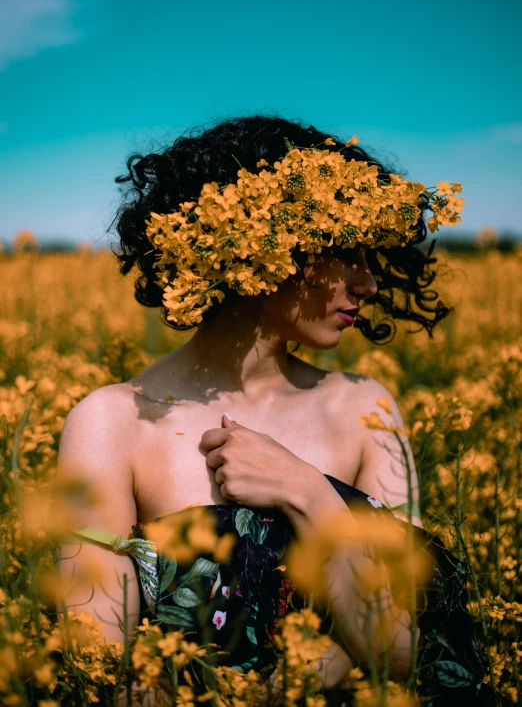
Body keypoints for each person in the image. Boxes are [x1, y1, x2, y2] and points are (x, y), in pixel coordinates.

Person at [54, 115, 487, 706]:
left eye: (372, 258)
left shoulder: (365, 409)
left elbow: (413, 651)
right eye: (345, 253)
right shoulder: (111, 423)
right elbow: (98, 675)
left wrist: (307, 493)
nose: (369, 284)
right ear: (261, 245)